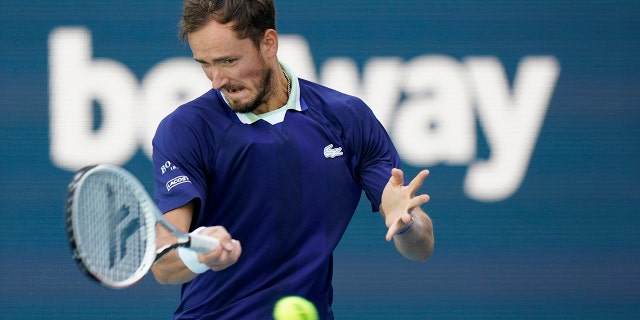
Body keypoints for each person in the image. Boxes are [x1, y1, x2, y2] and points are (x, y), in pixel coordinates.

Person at [150, 0, 434, 318]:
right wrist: (200, 251)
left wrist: (407, 225)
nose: (216, 80)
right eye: (204, 63)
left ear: (268, 43)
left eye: (228, 60)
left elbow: (421, 248)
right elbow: (164, 262)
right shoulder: (186, 129)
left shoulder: (347, 119)